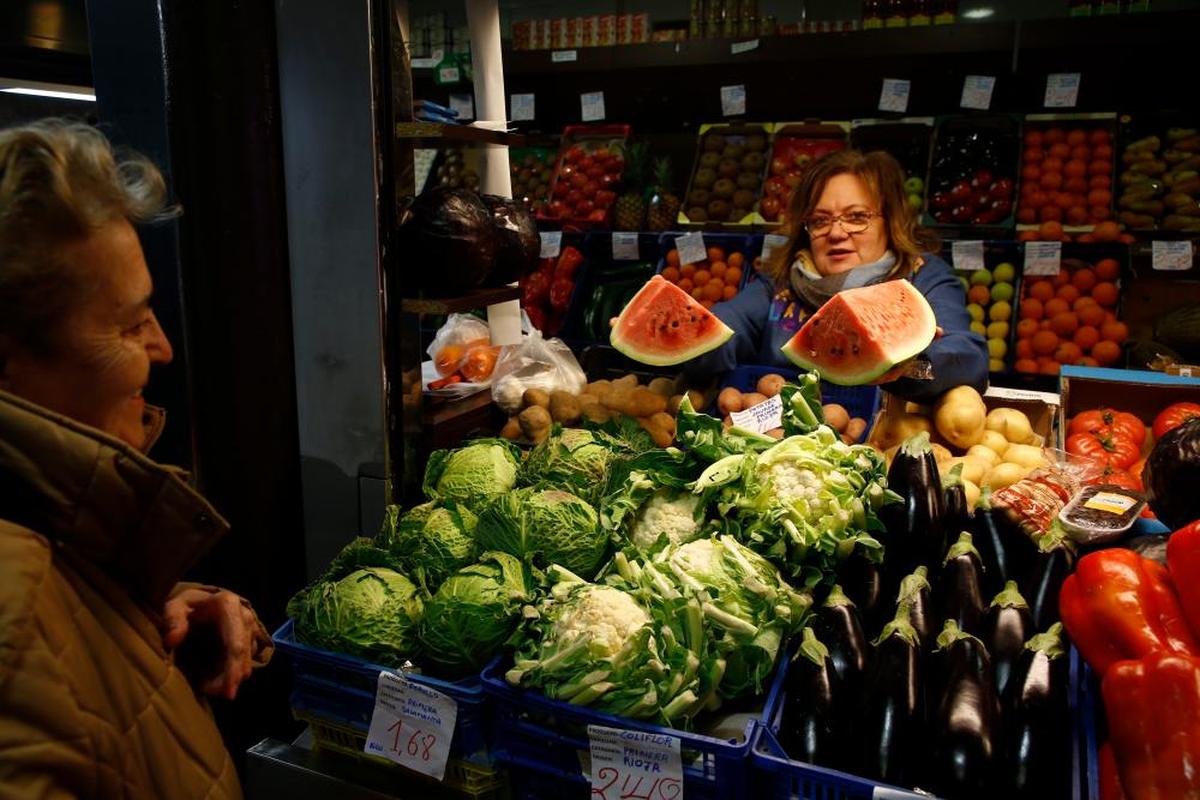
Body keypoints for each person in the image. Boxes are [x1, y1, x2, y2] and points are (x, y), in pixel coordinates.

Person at [0, 120, 271, 798]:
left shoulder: (59, 538)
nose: (161, 348)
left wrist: (145, 615)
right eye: (128, 324)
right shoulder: (13, 633)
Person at [687, 149, 989, 401]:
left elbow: (969, 358)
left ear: (889, 221)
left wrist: (914, 365)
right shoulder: (778, 284)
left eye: (857, 217)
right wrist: (688, 336)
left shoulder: (922, 276)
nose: (835, 232)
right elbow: (724, 327)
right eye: (820, 221)